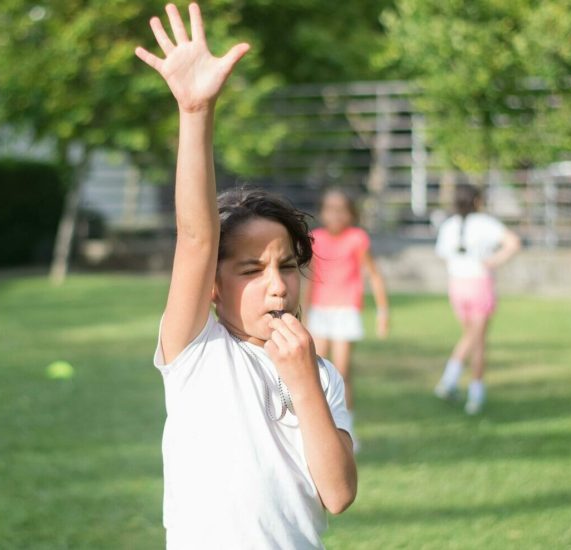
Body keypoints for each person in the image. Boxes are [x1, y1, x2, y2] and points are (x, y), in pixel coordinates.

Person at [135, 4, 356, 548]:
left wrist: (305, 379)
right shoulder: (196, 351)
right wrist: (195, 112)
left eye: (288, 266)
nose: (278, 284)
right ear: (213, 286)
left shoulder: (320, 373)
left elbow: (339, 494)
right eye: (252, 270)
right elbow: (196, 238)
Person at [303, 189, 389, 449]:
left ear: (351, 213)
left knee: (340, 372)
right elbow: (310, 278)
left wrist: (383, 312)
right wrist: (304, 314)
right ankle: (315, 428)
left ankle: (346, 429)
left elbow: (373, 275)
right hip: (320, 311)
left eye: (341, 208)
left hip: (346, 311)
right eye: (330, 208)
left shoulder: (357, 239)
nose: (335, 214)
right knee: (314, 371)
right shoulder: (315, 238)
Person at [433, 183, 521, 415]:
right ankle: (450, 380)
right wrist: (494, 260)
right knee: (474, 338)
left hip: (457, 287)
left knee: (476, 339)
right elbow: (513, 243)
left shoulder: (449, 226)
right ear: (477, 201)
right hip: (479, 284)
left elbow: (442, 255)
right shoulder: (485, 223)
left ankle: (475, 395)